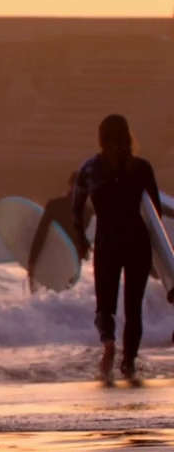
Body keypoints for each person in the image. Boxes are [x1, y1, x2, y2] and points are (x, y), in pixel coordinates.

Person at [72, 114, 160, 381]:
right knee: (133, 308)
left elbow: (76, 210)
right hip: (137, 241)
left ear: (101, 137)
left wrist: (81, 241)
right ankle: (129, 363)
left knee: (105, 305)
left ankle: (109, 342)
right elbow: (154, 211)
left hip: (108, 242)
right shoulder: (142, 168)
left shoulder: (89, 169)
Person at [27, 172, 93, 293]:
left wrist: (32, 262)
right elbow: (41, 233)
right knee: (63, 296)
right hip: (69, 261)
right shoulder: (87, 211)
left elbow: (41, 234)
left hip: (55, 258)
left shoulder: (55, 204)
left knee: (50, 296)